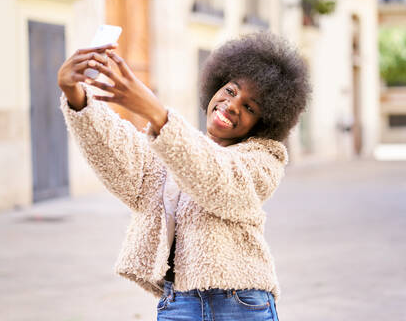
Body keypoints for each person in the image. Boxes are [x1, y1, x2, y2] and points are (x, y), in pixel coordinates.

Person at [57, 31, 310, 321]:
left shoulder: (265, 159)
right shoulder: (177, 149)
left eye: (249, 107)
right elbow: (123, 157)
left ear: (264, 122)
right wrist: (75, 95)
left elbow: (218, 180)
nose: (232, 105)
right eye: (230, 90)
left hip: (240, 304)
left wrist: (155, 111)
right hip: (177, 305)